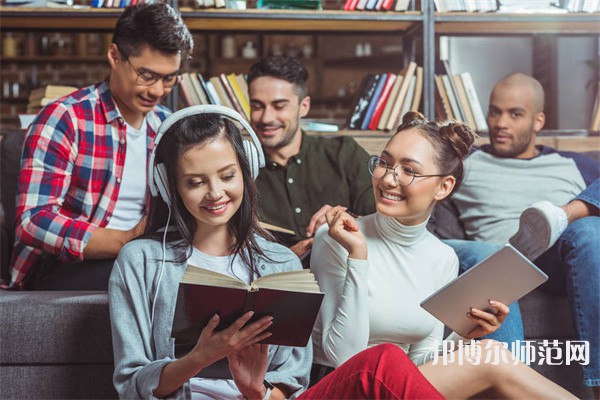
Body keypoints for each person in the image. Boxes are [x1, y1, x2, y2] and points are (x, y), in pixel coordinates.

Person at [109, 106, 444, 400]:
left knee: (383, 361)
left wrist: (256, 391)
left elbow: (291, 381)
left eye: (227, 176)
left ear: (247, 172)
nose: (215, 193)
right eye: (195, 182)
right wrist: (201, 357)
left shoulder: (279, 262)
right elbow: (130, 384)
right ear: (170, 187)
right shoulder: (141, 262)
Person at [310, 111, 576, 398]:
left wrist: (464, 335)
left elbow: (421, 362)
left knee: (488, 351)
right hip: (342, 387)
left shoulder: (442, 257)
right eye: (384, 163)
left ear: (444, 186)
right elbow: (344, 359)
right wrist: (358, 257)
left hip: (398, 388)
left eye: (409, 170)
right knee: (491, 357)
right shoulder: (337, 237)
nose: (388, 179)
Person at [2, 3, 193, 290]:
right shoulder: (66, 118)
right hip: (63, 265)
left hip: (146, 258)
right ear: (114, 56)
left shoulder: (168, 127)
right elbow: (33, 222)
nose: (157, 91)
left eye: (168, 79)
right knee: (148, 281)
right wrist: (126, 239)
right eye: (147, 75)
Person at [431, 73, 599, 393]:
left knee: (589, 231)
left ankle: (558, 218)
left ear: (538, 121)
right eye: (494, 112)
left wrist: (566, 217)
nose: (500, 123)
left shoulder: (574, 164)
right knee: (580, 234)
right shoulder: (466, 162)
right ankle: (537, 233)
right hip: (504, 257)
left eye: (515, 114)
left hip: (563, 259)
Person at [247, 55, 375, 260]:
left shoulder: (344, 153)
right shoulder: (240, 170)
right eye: (257, 106)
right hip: (276, 285)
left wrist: (346, 219)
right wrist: (284, 259)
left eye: (279, 106)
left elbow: (386, 222)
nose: (266, 118)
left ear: (304, 106)